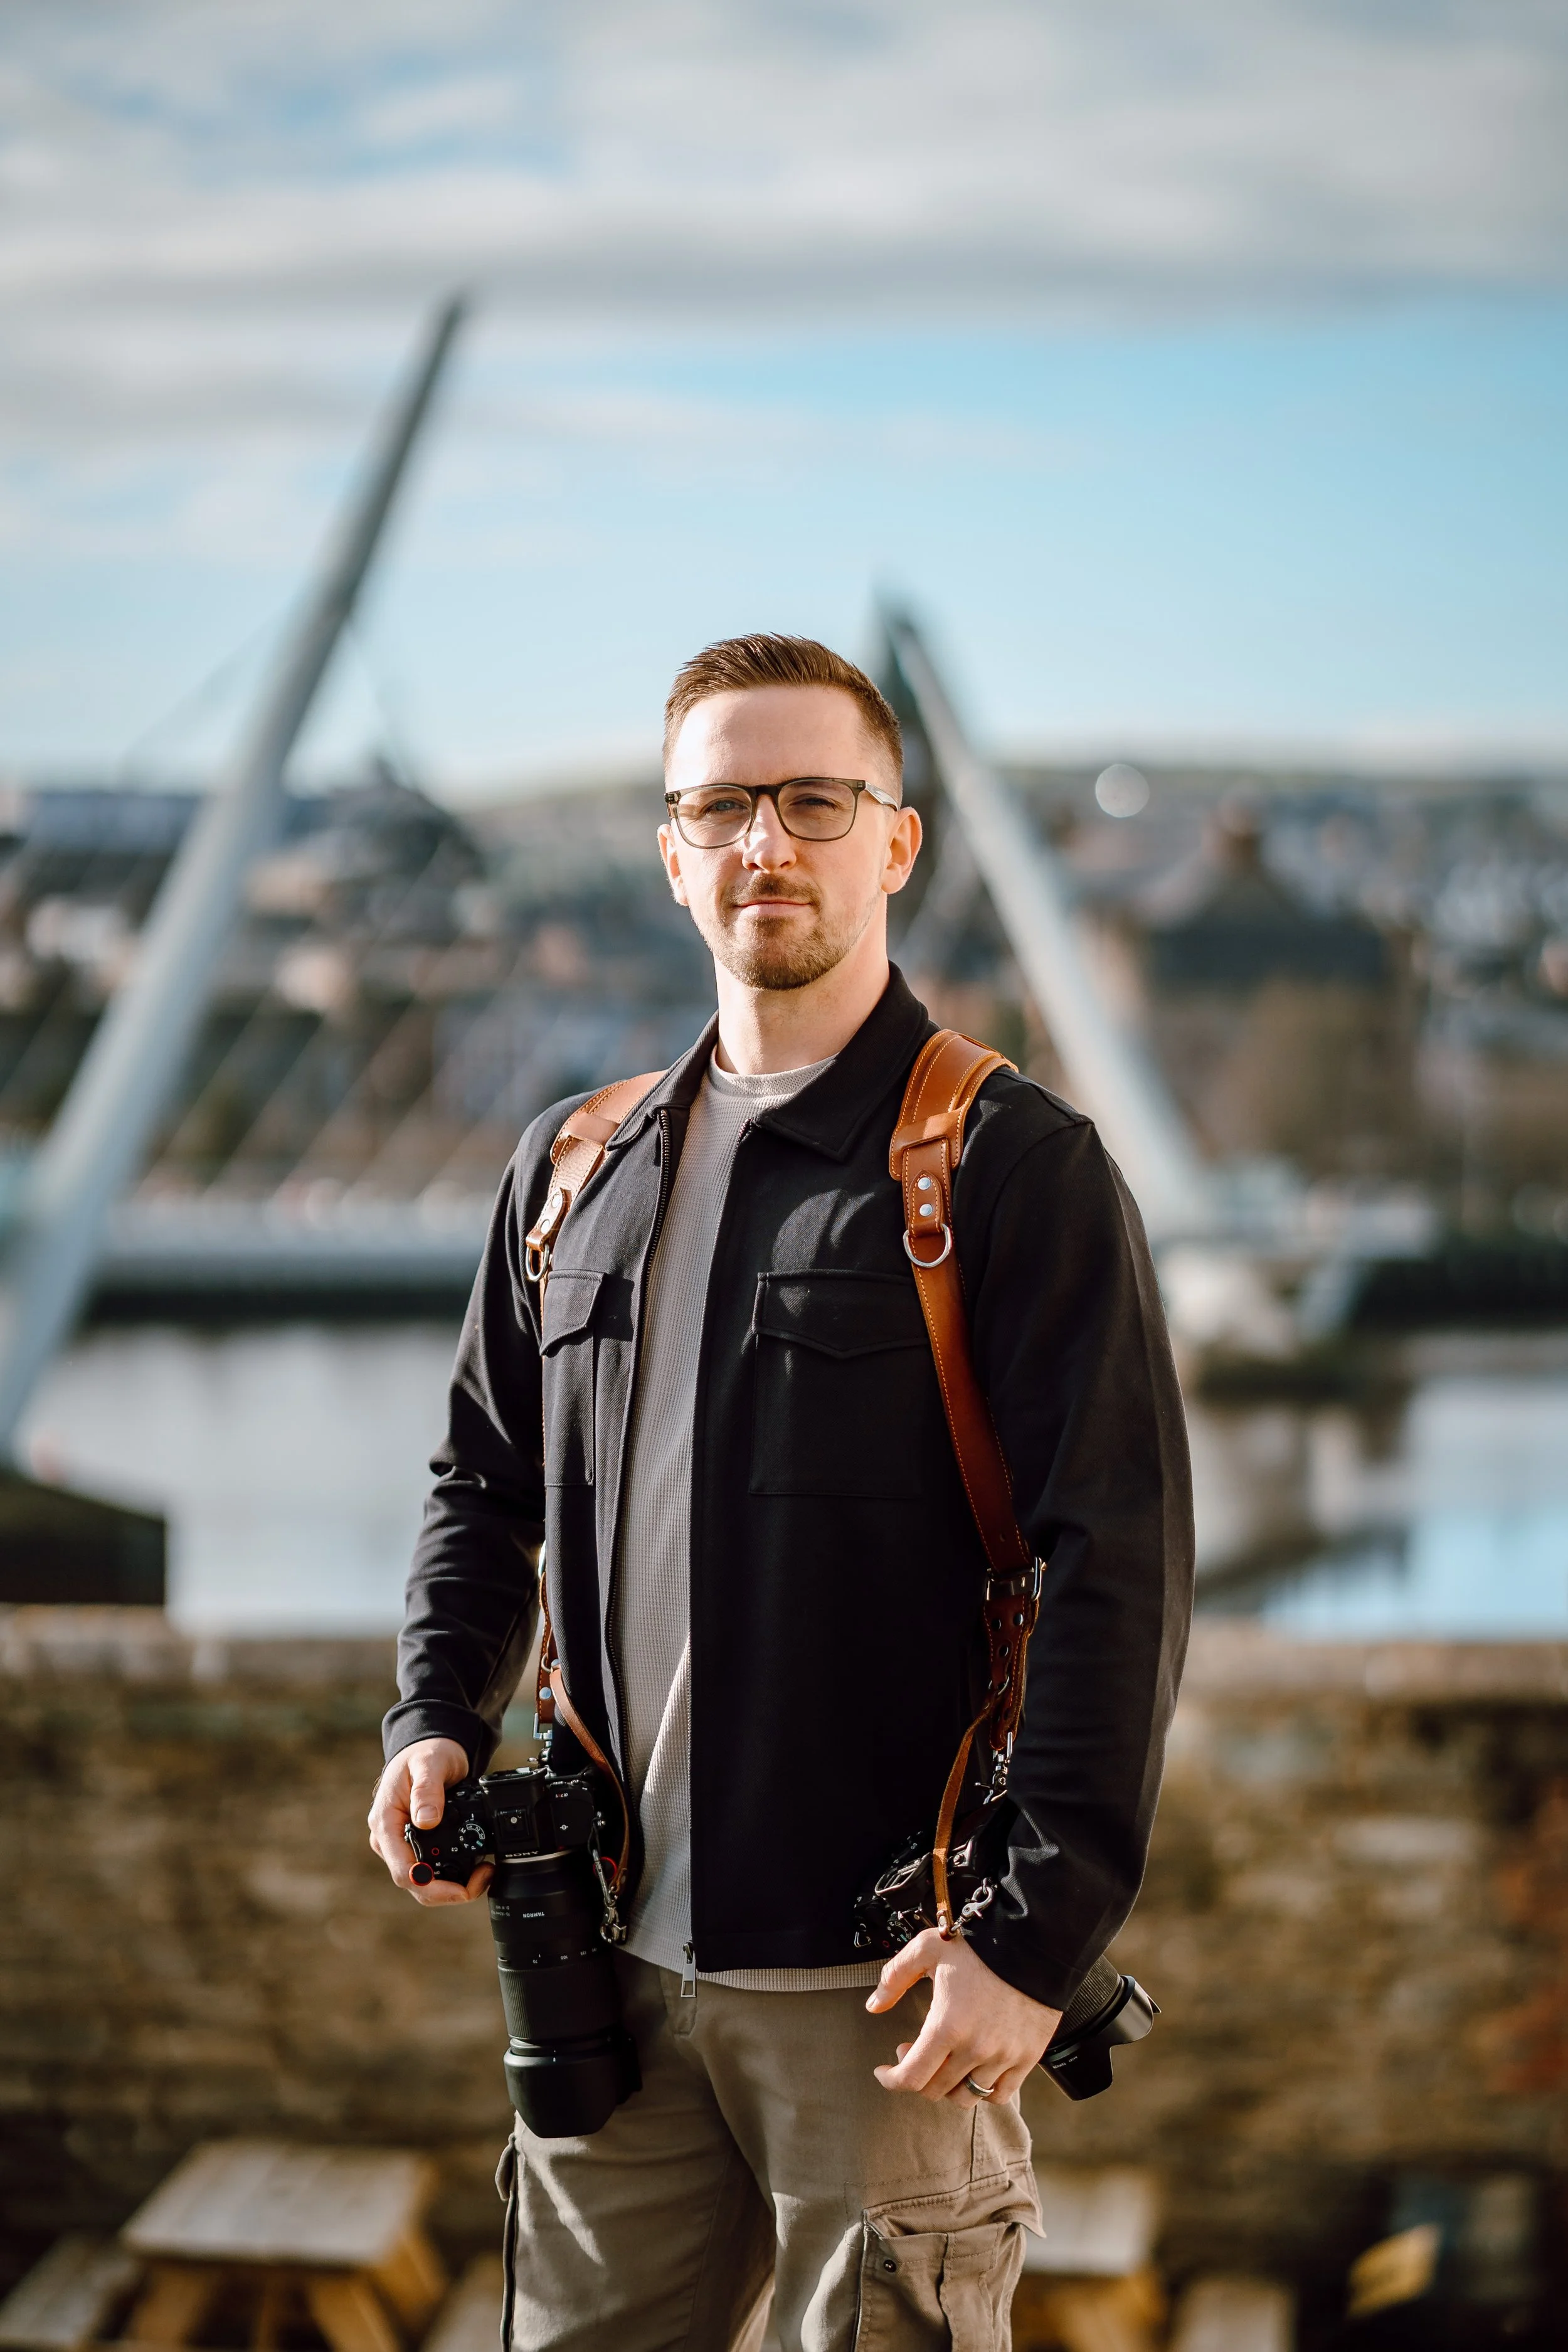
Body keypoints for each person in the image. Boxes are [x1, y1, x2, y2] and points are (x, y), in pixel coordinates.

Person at [369, 634, 1193, 2352]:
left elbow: (1114, 1564)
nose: (767, 843)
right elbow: (482, 1472)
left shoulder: (1004, 1162)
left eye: (815, 800)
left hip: (875, 1991)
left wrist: (1032, 1941)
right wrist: (430, 1712)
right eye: (721, 806)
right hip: (598, 1959)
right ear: (672, 856)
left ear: (895, 841)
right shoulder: (568, 1165)